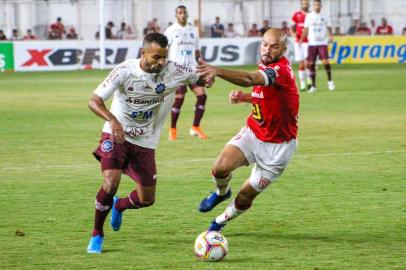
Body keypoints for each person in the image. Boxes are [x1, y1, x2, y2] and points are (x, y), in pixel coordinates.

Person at [86, 32, 213, 254]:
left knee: (147, 199)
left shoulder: (173, 70)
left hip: (146, 140)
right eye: (156, 57)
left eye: (164, 56)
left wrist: (208, 79)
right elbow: (94, 101)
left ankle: (119, 205)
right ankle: (97, 233)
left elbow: (199, 79)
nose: (161, 62)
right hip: (116, 135)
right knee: (110, 182)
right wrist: (113, 120)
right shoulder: (125, 71)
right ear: (143, 53)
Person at [196, 29, 299, 232]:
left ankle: (219, 222)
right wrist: (244, 98)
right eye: (265, 44)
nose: (267, 49)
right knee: (220, 168)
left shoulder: (280, 70)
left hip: (278, 148)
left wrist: (217, 70)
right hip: (254, 132)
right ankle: (221, 192)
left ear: (284, 49)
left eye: (274, 46)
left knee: (245, 196)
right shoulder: (266, 63)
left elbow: (251, 79)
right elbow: (274, 99)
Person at [165, 5, 209, 140]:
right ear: (176, 15)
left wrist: (202, 65)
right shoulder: (171, 31)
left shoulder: (193, 31)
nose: (182, 15)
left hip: (193, 70)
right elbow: (164, 50)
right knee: (179, 99)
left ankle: (195, 127)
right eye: (180, 13)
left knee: (202, 96)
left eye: (184, 13)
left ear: (187, 14)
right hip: (177, 70)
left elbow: (197, 51)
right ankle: (173, 129)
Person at [300, 0, 335, 93]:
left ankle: (330, 81)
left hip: (322, 43)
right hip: (312, 43)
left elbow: (329, 27)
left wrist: (331, 36)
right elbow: (306, 29)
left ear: (321, 6)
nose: (317, 6)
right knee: (311, 64)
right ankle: (313, 86)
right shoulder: (309, 16)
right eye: (315, 5)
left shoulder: (325, 16)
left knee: (326, 62)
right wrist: (301, 40)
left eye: (318, 5)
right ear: (313, 6)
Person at [291, 0, 311, 91]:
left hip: (309, 41)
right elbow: (292, 27)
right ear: (301, 4)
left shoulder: (311, 15)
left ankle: (310, 82)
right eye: (303, 3)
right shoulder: (296, 15)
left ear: (308, 4)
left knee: (308, 63)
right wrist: (294, 35)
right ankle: (303, 84)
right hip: (298, 42)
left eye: (306, 3)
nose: (305, 5)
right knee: (301, 63)